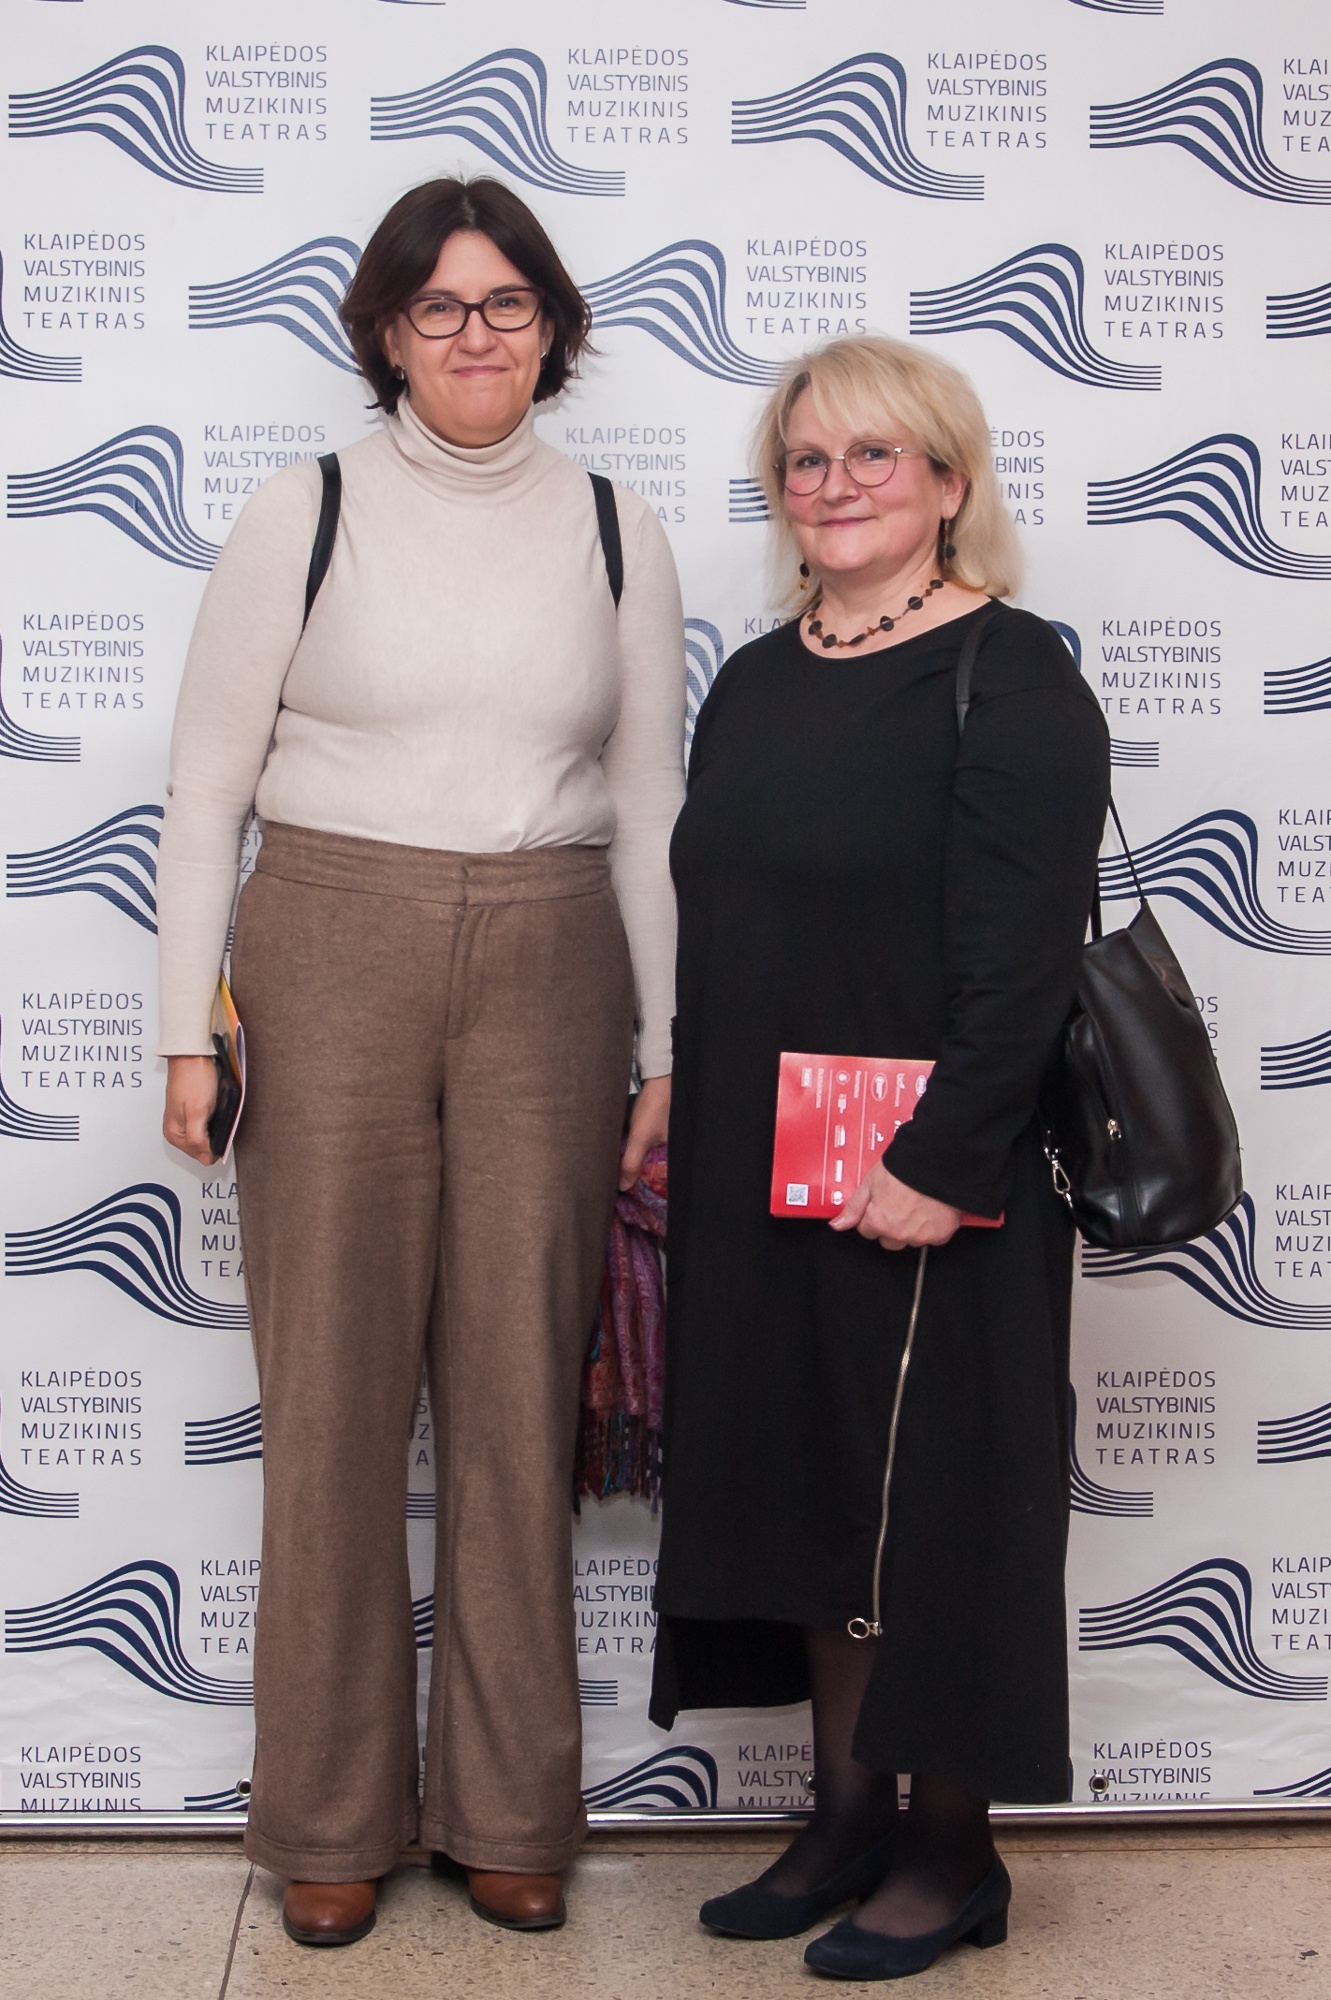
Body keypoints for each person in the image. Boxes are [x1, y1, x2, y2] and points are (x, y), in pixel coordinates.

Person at [157, 176, 684, 1946]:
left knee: (521, 1398)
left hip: (553, 958)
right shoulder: (302, 509)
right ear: (388, 331)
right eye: (439, 306)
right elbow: (205, 792)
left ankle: (513, 1808)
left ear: (553, 328)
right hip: (330, 944)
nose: (476, 334)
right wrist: (184, 1030)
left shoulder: (615, 524)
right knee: (332, 1401)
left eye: (507, 302)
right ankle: (325, 1816)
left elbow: (651, 805)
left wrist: (666, 1043)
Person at [651, 335, 1109, 1981]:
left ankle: (950, 1848)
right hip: (764, 1163)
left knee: (936, 1510)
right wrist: (680, 1096)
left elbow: (1025, 962)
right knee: (807, 1483)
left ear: (949, 482)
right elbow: (730, 915)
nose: (834, 485)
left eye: (874, 456)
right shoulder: (758, 677)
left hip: (932, 1177)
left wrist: (945, 1157)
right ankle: (846, 1814)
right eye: (806, 459)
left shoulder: (1011, 673)